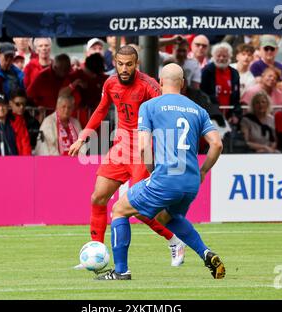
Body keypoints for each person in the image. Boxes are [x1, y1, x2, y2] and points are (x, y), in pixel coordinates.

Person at [95, 63, 225, 280]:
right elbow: (217, 144)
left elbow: (144, 146)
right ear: (182, 84)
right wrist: (203, 171)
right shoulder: (198, 110)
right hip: (191, 182)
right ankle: (206, 253)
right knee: (166, 217)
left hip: (166, 178)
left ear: (161, 82)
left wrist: (152, 170)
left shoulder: (150, 106)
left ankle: (120, 271)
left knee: (119, 209)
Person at [68, 45, 186, 267]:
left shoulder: (149, 85)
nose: (124, 68)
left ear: (136, 64)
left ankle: (174, 240)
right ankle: (96, 252)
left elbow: (167, 111)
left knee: (139, 209)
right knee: (97, 198)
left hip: (144, 148)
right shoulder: (110, 83)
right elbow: (102, 109)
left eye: (129, 64)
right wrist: (83, 137)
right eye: (120, 64)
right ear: (114, 63)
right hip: (121, 146)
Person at [200, 42, 241, 121]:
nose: (221, 58)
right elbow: (203, 94)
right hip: (211, 115)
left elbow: (236, 98)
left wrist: (236, 114)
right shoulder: (207, 71)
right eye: (218, 56)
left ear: (229, 57)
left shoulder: (234, 73)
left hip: (229, 116)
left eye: (224, 56)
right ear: (213, 56)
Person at [35, 88, 82, 156]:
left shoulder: (76, 123)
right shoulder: (48, 121)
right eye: (63, 107)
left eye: (69, 107)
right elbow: (48, 147)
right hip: (54, 162)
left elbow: (82, 144)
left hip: (75, 161)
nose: (66, 110)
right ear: (57, 107)